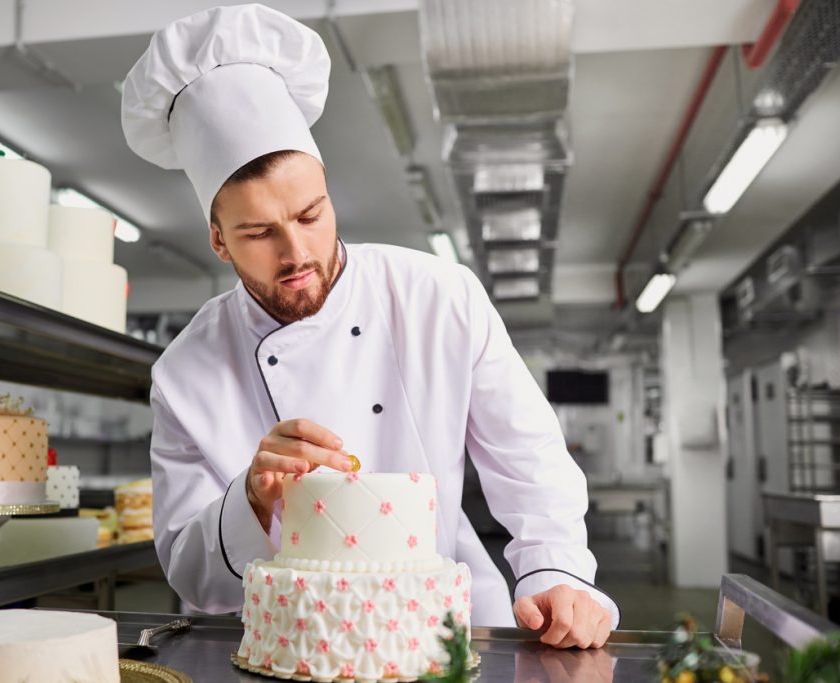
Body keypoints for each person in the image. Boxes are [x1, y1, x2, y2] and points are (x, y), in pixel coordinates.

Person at [121, 3, 619, 649]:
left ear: (329, 193)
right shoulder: (186, 371)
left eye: (310, 214)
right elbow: (192, 576)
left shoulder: (437, 294)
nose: (295, 251)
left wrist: (556, 572)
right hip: (295, 644)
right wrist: (250, 500)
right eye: (258, 232)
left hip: (450, 628)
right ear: (218, 240)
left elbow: (528, 457)